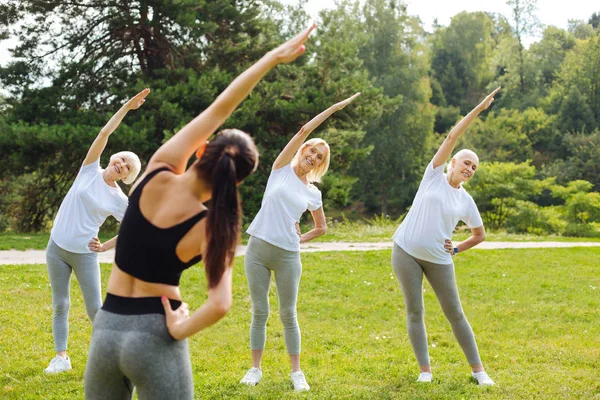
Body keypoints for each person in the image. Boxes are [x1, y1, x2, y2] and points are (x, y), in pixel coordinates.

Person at [83, 24, 317, 400]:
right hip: (155, 333)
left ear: (201, 148)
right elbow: (220, 304)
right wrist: (179, 329)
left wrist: (272, 58)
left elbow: (219, 108)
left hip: (106, 330)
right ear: (236, 183)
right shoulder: (214, 226)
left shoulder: (156, 170)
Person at [239, 92, 360, 391]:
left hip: (288, 256)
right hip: (257, 249)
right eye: (312, 150)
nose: (313, 156)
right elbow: (304, 129)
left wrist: (300, 237)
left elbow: (322, 228)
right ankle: (255, 369)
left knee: (288, 314)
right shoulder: (280, 170)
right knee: (260, 311)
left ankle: (296, 373)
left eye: (320, 157)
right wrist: (334, 108)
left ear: (320, 163)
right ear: (304, 149)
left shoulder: (313, 193)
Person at [391, 87, 501, 386]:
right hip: (406, 252)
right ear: (453, 162)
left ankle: (479, 371)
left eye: (475, 167)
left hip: (440, 259)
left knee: (456, 314)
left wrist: (457, 249)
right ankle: (425, 371)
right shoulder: (433, 175)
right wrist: (478, 110)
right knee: (415, 312)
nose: (470, 168)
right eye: (466, 162)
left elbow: (479, 234)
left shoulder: (465, 200)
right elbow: (452, 136)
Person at [44, 89, 147, 374]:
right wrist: (126, 107)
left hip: (83, 255)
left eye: (127, 167)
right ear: (114, 157)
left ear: (126, 176)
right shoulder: (89, 170)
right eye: (122, 159)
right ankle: (61, 358)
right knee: (60, 304)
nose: (122, 164)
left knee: (94, 310)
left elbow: (134, 230)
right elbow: (104, 133)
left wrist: (104, 247)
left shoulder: (118, 199)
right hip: (56, 248)